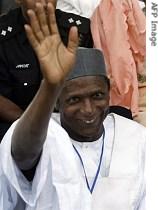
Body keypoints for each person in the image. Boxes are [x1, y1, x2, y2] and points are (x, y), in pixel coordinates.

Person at [0, 1, 145, 210]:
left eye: (97, 96)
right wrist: (51, 86)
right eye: (75, 100)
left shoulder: (137, 138)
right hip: (27, 121)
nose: (88, 109)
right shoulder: (46, 137)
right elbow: (23, 153)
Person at [0, 0, 94, 141]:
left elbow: (88, 87)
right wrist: (35, 124)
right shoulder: (4, 36)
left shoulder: (78, 31)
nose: (44, 2)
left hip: (70, 120)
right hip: (18, 122)